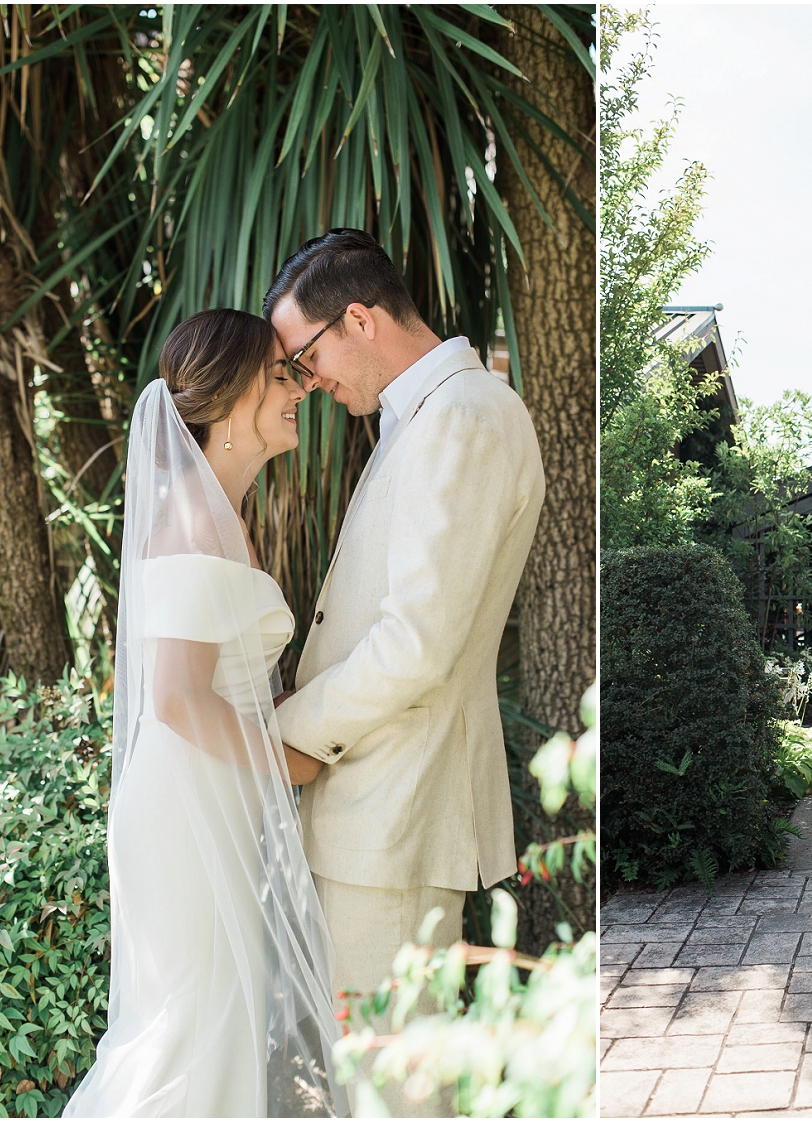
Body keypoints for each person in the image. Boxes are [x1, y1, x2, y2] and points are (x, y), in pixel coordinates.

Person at [265, 229, 545, 1116]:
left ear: (359, 318)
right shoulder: (420, 417)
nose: (308, 382)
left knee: (393, 1088)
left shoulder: (463, 416)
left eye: (307, 356)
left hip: (395, 809)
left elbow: (416, 642)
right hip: (372, 805)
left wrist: (290, 736)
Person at [65, 309, 345, 1117]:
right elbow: (178, 697)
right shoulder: (194, 518)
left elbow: (223, 685)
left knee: (216, 1022)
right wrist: (290, 761)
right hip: (183, 812)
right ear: (229, 398)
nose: (300, 391)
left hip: (209, 795)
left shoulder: (219, 513)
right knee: (188, 1032)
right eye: (280, 375)